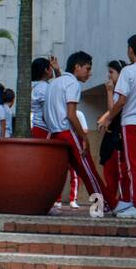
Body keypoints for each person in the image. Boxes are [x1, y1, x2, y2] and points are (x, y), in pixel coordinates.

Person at [97, 34, 136, 217]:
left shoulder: (128, 71)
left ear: (130, 49)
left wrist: (109, 117)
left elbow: (121, 100)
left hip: (131, 122)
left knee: (134, 165)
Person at [47, 51, 113, 217]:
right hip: (67, 132)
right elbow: (71, 114)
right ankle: (103, 205)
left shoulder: (55, 83)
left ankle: (47, 203)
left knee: (58, 173)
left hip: (54, 133)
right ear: (77, 67)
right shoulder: (73, 84)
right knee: (88, 170)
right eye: (87, 69)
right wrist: (84, 137)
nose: (89, 73)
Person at [98, 59, 131, 212]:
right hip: (111, 140)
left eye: (111, 72)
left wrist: (109, 92)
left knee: (120, 173)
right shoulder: (119, 92)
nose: (109, 76)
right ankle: (110, 202)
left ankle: (122, 202)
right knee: (110, 173)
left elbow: (113, 111)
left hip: (118, 139)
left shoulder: (122, 92)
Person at [29, 58, 54, 138]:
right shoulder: (43, 87)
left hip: (38, 127)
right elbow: (46, 113)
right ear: (46, 70)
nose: (52, 70)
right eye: (51, 68)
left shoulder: (35, 86)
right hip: (43, 129)